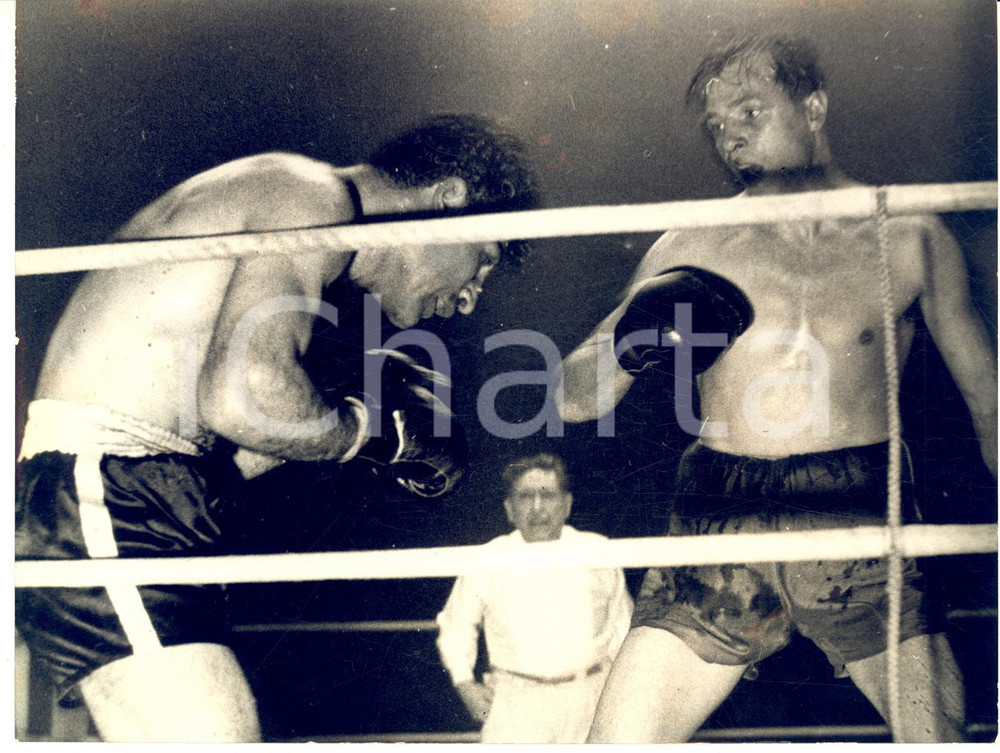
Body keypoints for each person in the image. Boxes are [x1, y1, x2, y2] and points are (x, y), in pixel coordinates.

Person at [15, 114, 539, 742]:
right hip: (104, 495)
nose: (469, 298)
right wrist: (373, 433)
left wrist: (366, 426)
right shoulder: (308, 195)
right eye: (481, 263)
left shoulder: (302, 225)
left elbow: (220, 441)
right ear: (449, 198)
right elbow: (237, 399)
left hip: (132, 495)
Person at [555, 36, 997, 743]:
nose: (730, 137)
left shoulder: (910, 236)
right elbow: (573, 396)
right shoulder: (689, 243)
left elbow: (988, 398)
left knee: (937, 740)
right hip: (716, 517)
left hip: (855, 509)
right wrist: (632, 338)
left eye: (749, 111)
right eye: (718, 127)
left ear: (814, 107)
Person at [434, 452, 633, 744]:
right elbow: (456, 625)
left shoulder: (597, 552)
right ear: (509, 509)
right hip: (515, 706)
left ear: (567, 504)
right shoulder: (488, 558)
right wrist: (464, 683)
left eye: (548, 495)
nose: (537, 508)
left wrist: (622, 697)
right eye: (525, 496)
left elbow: (623, 627)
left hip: (590, 699)